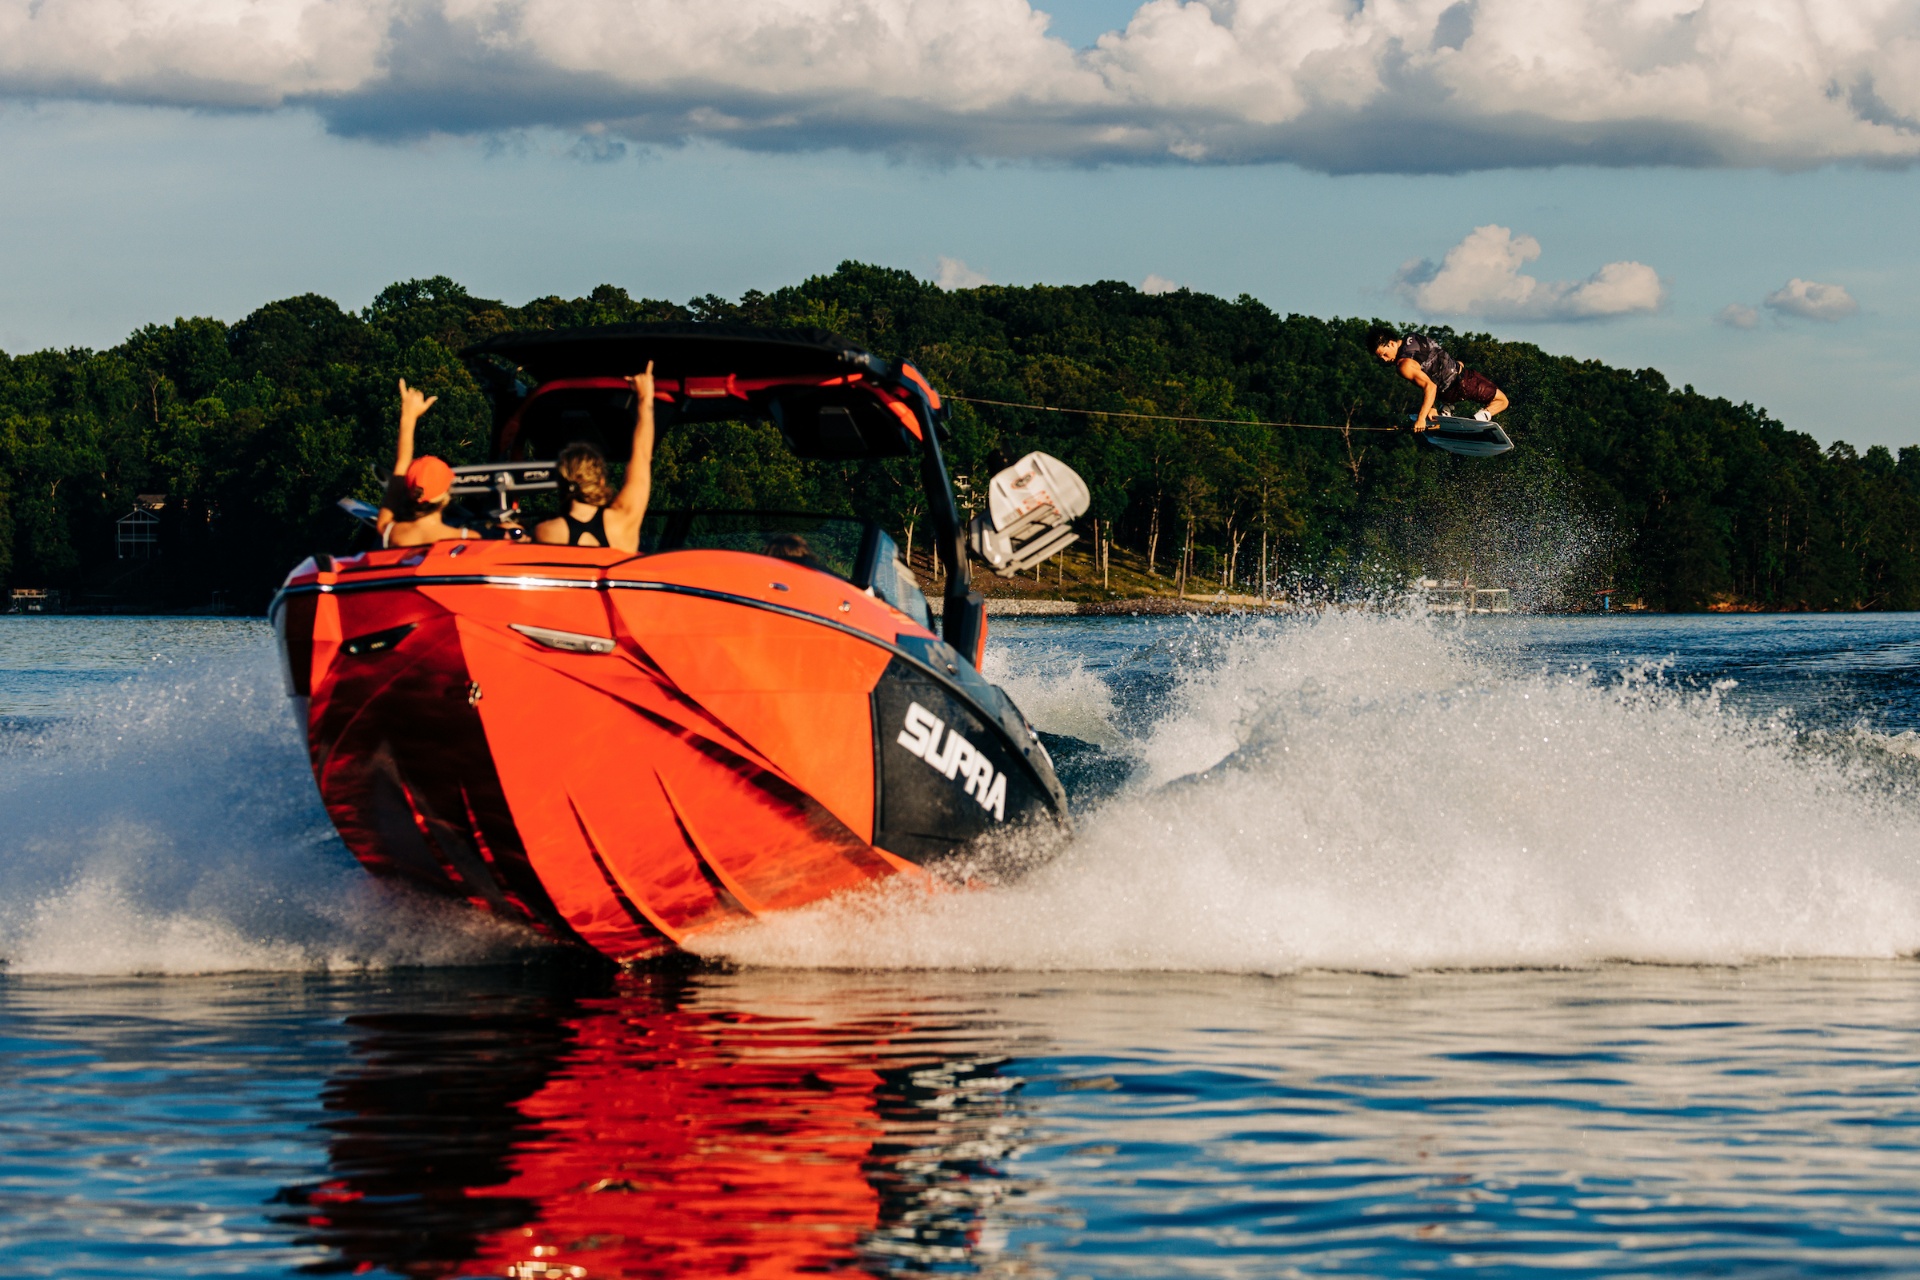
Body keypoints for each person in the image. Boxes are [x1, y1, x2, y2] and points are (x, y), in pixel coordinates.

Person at [534, 364, 656, 553]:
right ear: (600, 480)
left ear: (562, 482)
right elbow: (642, 455)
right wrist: (645, 398)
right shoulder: (624, 519)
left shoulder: (545, 532)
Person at [376, 379, 476, 547]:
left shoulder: (390, 533)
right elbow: (400, 469)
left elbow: (401, 466)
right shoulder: (469, 540)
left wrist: (408, 416)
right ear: (446, 497)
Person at [1367, 327, 1510, 434]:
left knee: (1502, 401)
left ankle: (1450, 409)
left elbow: (1429, 386)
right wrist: (1430, 408)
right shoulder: (1413, 337)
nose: (1385, 360)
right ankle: (1477, 416)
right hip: (1462, 381)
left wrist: (1421, 418)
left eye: (1384, 354)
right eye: (1381, 358)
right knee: (1502, 401)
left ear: (1391, 344)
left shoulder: (1403, 365)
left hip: (1452, 388)